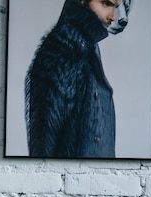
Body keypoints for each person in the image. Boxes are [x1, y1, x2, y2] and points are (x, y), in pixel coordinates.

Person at [25, 0, 130, 159]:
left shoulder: (85, 45)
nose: (113, 17)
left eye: (116, 7)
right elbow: (44, 144)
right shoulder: (62, 50)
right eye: (106, 4)